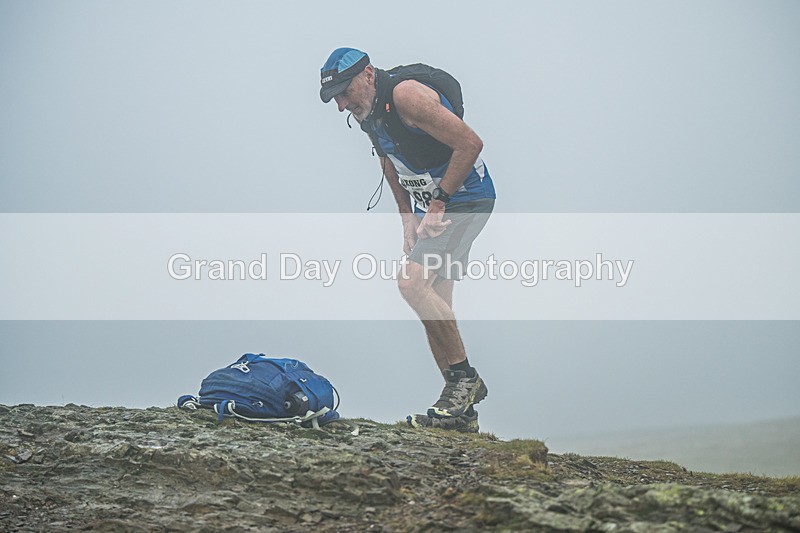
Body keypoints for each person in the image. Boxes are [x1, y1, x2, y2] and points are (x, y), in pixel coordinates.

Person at [319, 48, 496, 432]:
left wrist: (439, 202)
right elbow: (387, 159)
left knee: (411, 284)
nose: (342, 105)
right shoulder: (367, 112)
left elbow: (470, 144)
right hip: (431, 207)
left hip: (465, 199)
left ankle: (465, 381)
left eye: (345, 93)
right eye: (335, 99)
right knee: (434, 303)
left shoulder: (407, 96)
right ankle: (460, 415)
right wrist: (406, 216)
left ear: (368, 74)